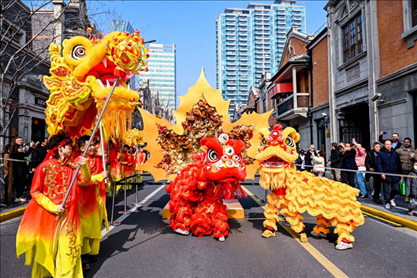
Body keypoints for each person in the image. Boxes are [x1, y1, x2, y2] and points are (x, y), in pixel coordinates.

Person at [16, 133, 91, 278]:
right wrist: (53, 207)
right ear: (61, 148)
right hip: (50, 215)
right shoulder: (44, 167)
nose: (72, 149)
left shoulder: (74, 166)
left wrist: (85, 167)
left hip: (70, 215)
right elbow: (35, 192)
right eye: (69, 146)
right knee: (48, 249)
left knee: (68, 249)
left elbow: (86, 180)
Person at [75, 136, 108, 270]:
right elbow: (81, 180)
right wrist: (100, 176)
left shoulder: (97, 159)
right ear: (82, 148)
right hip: (84, 200)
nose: (94, 147)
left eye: (94, 144)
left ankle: (94, 252)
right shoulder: (78, 161)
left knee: (96, 225)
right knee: (85, 228)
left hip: (96, 197)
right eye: (90, 145)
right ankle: (84, 255)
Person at [375, 140, 403, 209]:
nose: (388, 146)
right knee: (386, 189)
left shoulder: (395, 153)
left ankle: (391, 198)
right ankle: (387, 202)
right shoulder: (381, 154)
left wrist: (400, 173)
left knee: (397, 189)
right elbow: (378, 164)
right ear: (384, 145)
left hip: (395, 173)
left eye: (389, 144)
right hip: (386, 173)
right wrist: (382, 173)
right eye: (387, 144)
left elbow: (398, 164)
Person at [11, 137, 34, 202]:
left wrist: (31, 147)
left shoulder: (21, 151)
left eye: (21, 140)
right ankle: (18, 196)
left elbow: (25, 154)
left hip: (22, 170)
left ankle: (20, 195)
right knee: (19, 183)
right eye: (19, 140)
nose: (21, 141)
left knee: (22, 183)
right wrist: (31, 147)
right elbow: (24, 155)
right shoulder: (15, 149)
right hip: (18, 171)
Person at [396, 137, 415, 202]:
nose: (406, 143)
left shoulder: (413, 150)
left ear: (410, 143)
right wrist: (399, 160)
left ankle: (411, 196)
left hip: (412, 169)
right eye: (405, 142)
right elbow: (394, 156)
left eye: (408, 142)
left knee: (412, 184)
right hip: (403, 169)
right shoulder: (399, 150)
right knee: (407, 184)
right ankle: (406, 196)